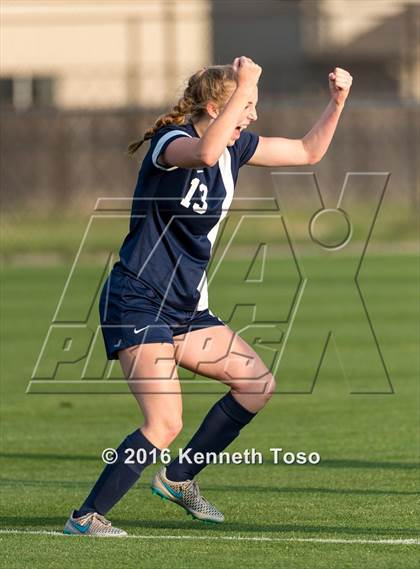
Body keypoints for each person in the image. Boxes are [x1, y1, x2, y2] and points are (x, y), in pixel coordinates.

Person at [63, 56, 352, 536]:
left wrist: (336, 103)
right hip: (138, 301)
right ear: (217, 106)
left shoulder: (234, 148)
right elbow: (202, 153)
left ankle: (179, 479)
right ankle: (86, 517)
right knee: (164, 423)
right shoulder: (170, 144)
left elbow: (306, 151)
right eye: (247, 105)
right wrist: (248, 82)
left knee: (256, 384)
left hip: (185, 310)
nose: (253, 115)